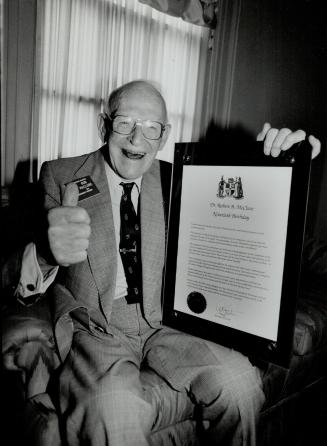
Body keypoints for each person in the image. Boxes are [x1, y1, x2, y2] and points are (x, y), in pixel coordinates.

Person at [4, 80, 321, 446]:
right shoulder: (59, 175)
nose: (137, 140)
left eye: (151, 127)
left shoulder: (181, 177)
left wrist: (284, 164)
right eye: (125, 123)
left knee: (240, 386)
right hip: (96, 327)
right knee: (113, 409)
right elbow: (14, 275)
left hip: (169, 321)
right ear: (104, 124)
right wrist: (46, 251)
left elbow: (243, 214)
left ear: (165, 134)